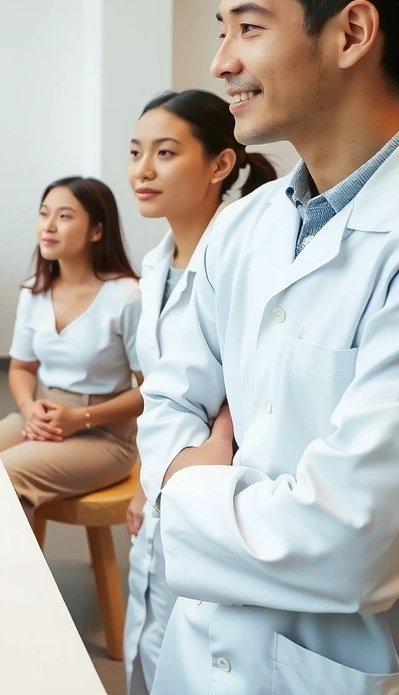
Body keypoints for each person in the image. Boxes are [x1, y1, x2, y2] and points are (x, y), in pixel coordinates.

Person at [138, 0, 399, 695]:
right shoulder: (244, 226)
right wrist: (231, 492)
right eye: (221, 31)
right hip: (197, 647)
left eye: (248, 29)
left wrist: (185, 486)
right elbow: (169, 397)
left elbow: (347, 543)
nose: (221, 61)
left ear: (351, 34)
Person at [123, 90, 276, 695]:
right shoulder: (155, 264)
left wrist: (195, 465)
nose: (142, 170)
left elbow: (241, 392)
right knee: (148, 644)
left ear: (220, 164)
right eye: (135, 152)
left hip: (221, 494)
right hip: (168, 482)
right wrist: (148, 480)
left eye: (165, 153)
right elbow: (158, 388)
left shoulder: (247, 257)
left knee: (197, 653)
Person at [0, 177, 141, 523]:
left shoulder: (127, 297)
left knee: (4, 474)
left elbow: (153, 392)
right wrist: (28, 408)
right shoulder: (34, 291)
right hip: (41, 416)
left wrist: (79, 418)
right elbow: (21, 368)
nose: (49, 226)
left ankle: (11, 562)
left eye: (65, 216)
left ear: (97, 231)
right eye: (44, 214)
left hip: (105, 436)